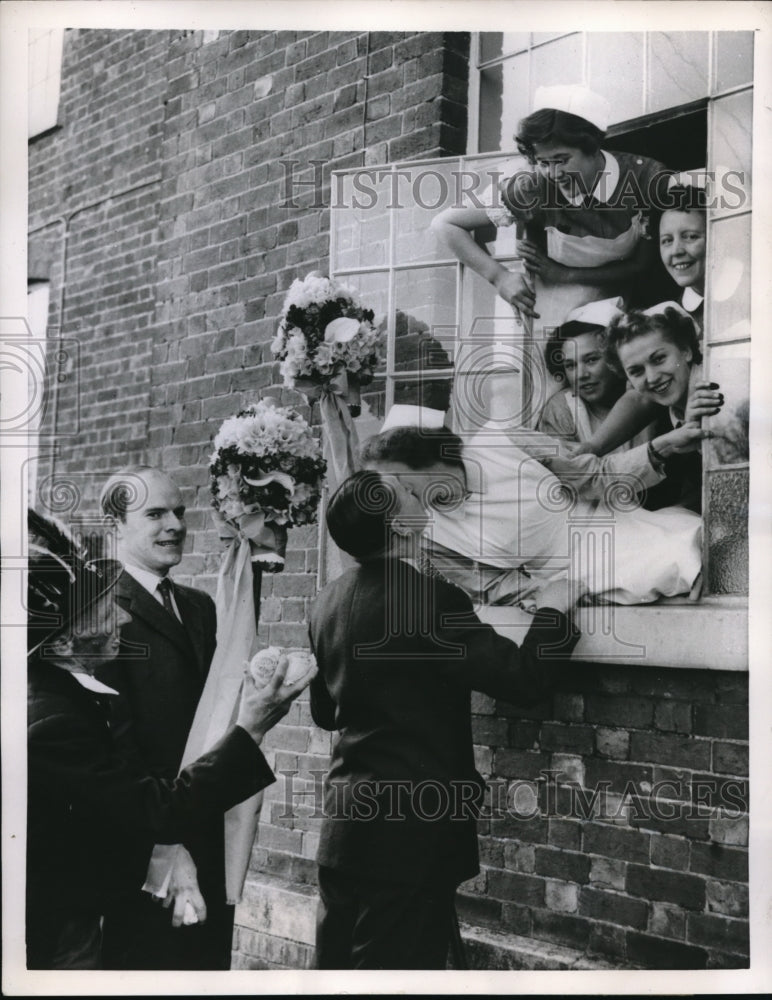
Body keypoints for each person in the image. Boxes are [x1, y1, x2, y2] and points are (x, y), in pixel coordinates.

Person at [308, 471, 581, 969]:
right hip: (410, 834)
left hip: (345, 826)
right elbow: (523, 681)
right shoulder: (433, 600)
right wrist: (555, 612)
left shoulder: (324, 602)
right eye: (410, 492)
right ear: (398, 524)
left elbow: (325, 712)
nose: (422, 494)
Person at [26, 509, 313, 970]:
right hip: (57, 937)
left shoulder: (63, 698)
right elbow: (157, 809)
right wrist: (251, 728)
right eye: (103, 608)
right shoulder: (54, 724)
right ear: (66, 635)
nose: (119, 620)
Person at [360, 409, 711, 607]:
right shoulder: (432, 538)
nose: (401, 500)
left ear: (425, 456)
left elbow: (595, 477)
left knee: (693, 553)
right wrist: (554, 599)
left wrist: (660, 448)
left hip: (616, 529)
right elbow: (497, 587)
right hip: (574, 580)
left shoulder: (501, 441)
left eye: (402, 486)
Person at [93, 465, 229, 969]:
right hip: (143, 846)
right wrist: (162, 845)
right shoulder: (101, 610)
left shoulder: (198, 607)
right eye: (155, 514)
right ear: (114, 528)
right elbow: (114, 742)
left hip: (204, 825)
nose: (174, 525)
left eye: (179, 512)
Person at [432, 85, 669, 325]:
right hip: (552, 312)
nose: (554, 173)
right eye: (543, 162)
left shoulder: (642, 176)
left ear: (592, 148)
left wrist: (565, 274)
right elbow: (446, 224)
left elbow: (642, 264)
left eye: (561, 160)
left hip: (622, 308)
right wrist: (499, 277)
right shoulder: (532, 185)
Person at [574, 180, 708, 457]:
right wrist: (593, 447)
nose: (677, 250)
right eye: (666, 241)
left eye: (691, 237)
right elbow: (641, 395)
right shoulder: (667, 315)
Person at [603, 303, 723, 513]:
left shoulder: (713, 391)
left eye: (659, 359)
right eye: (636, 371)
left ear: (685, 351)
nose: (652, 377)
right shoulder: (673, 414)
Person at [537, 296, 652, 448]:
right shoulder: (562, 409)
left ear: (616, 357)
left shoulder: (650, 392)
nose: (581, 375)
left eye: (591, 360)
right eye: (570, 365)